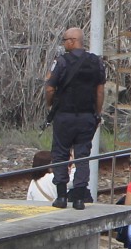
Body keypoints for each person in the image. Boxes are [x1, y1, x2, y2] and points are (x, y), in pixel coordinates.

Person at [43, 26, 105, 210]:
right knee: (82, 156)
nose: (63, 44)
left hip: (64, 116)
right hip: (87, 116)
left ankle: (61, 196)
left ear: (72, 40)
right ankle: (79, 198)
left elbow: (49, 88)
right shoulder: (96, 62)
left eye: (64, 40)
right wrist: (97, 112)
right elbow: (100, 90)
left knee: (60, 154)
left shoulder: (61, 62)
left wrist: (50, 104)